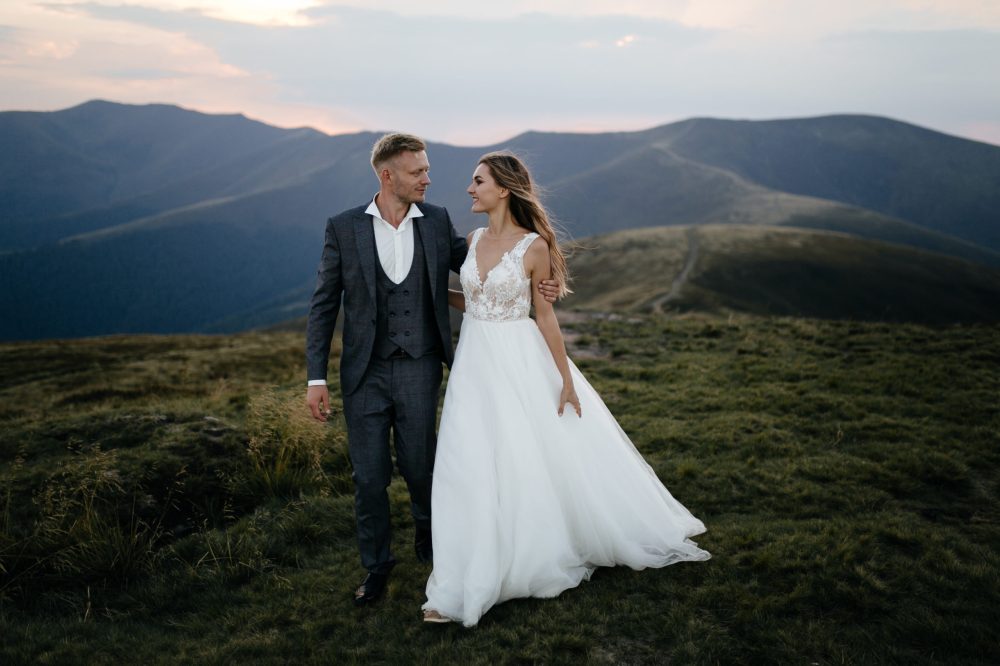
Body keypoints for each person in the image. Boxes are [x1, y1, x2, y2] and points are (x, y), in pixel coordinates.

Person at [421, 151, 711, 626]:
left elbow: (545, 315)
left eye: (478, 181)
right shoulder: (472, 240)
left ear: (505, 189)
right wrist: (430, 292)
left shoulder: (533, 247)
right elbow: (474, 300)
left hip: (517, 358)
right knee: (468, 459)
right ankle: (466, 565)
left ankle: (526, 552)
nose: (470, 189)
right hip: (474, 364)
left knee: (522, 454)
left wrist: (566, 380)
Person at [305, 134, 559, 607]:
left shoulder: (438, 222)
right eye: (417, 171)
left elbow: (487, 271)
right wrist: (315, 378)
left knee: (423, 470)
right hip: (363, 374)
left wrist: (538, 282)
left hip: (421, 368)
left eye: (426, 168)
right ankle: (377, 566)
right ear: (387, 176)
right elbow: (323, 305)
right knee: (368, 477)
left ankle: (429, 535)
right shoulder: (343, 228)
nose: (428, 177)